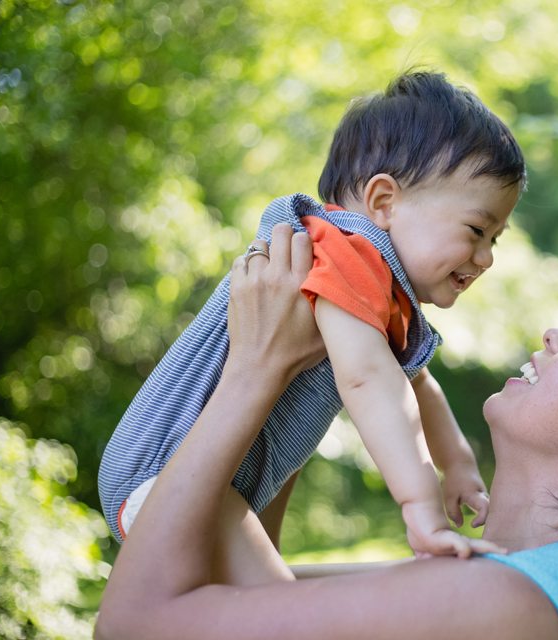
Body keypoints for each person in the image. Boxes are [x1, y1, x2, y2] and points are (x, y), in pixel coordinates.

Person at [95, 225, 558, 640]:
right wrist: (306, 384)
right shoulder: (542, 590)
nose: (557, 332)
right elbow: (234, 589)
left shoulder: (510, 606)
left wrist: (255, 372)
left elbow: (136, 624)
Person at [97, 70, 526, 575]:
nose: (486, 257)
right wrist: (421, 508)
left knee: (253, 610)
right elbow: (370, 378)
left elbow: (418, 383)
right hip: (166, 471)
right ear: (383, 202)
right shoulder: (343, 250)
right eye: (477, 230)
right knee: (276, 614)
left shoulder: (382, 285)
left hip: (218, 482)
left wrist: (459, 465)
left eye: (494, 239)